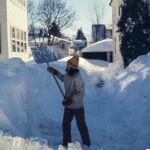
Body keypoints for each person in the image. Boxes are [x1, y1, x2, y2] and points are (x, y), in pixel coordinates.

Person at [47, 55, 91, 148]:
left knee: (81, 125)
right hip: (68, 106)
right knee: (65, 124)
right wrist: (55, 72)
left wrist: (71, 100)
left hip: (77, 106)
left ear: (71, 67)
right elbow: (63, 78)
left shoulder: (78, 78)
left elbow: (81, 94)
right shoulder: (68, 74)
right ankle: (66, 142)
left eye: (68, 65)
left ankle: (87, 143)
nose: (66, 67)